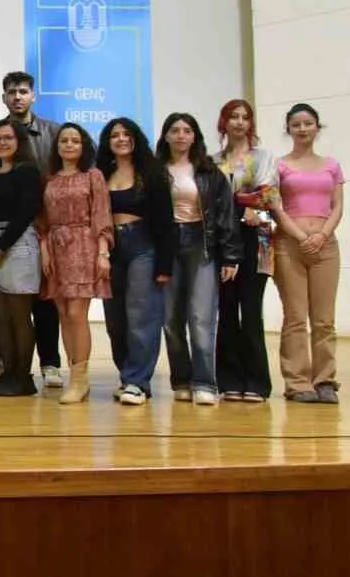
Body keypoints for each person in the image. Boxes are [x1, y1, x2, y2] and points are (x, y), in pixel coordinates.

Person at [156, 112, 240, 406]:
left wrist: (230, 256)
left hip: (201, 245)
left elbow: (225, 214)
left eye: (187, 130)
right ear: (166, 135)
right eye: (175, 130)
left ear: (195, 137)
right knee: (170, 319)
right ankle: (181, 379)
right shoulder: (155, 170)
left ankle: (204, 381)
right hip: (166, 246)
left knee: (201, 317)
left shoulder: (208, 172)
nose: (181, 135)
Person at [95, 117, 174, 406]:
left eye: (126, 134)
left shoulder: (151, 173)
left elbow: (166, 221)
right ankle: (127, 375)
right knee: (115, 320)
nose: (121, 139)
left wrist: (165, 265)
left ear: (135, 138)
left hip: (144, 245)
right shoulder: (101, 173)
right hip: (110, 247)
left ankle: (137, 382)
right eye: (114, 135)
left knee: (142, 316)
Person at [269, 103, 343, 404]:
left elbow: (337, 206)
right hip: (290, 245)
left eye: (308, 123)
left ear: (317, 127)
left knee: (324, 320)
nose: (302, 129)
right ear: (288, 129)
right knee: (296, 317)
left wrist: (322, 235)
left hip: (326, 245)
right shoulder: (279, 166)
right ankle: (298, 382)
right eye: (296, 124)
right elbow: (275, 207)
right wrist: (302, 237)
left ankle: (325, 380)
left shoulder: (332, 165)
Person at [39, 123, 114, 405]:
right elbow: (43, 220)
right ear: (56, 146)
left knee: (76, 312)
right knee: (63, 313)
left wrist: (103, 252)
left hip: (84, 245)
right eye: (64, 141)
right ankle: (74, 373)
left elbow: (101, 215)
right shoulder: (50, 178)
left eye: (75, 140)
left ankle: (80, 380)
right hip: (56, 248)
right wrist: (44, 248)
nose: (69, 145)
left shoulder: (92, 175)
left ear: (83, 146)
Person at [1, 71, 65, 389]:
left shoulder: (54, 133)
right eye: (11, 92)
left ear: (33, 96)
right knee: (7, 302)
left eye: (23, 91)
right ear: (4, 98)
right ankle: (7, 364)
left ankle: (50, 363)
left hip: (45, 227)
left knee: (45, 299)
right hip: (8, 230)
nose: (17, 97)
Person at [215, 99, 277, 404]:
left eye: (245, 117)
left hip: (258, 239)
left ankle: (257, 382)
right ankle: (228, 379)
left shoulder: (263, 157)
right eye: (233, 117)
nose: (239, 122)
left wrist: (241, 200)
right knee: (226, 309)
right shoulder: (214, 161)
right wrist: (243, 199)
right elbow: (217, 201)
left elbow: (268, 196)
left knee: (251, 310)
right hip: (223, 240)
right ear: (224, 122)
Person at [0, 120, 42, 397]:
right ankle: (7, 373)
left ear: (19, 141)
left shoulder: (27, 172)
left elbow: (27, 211)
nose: (2, 142)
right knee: (0, 316)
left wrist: (0, 247)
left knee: (19, 315)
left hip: (16, 243)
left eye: (8, 137)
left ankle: (23, 377)